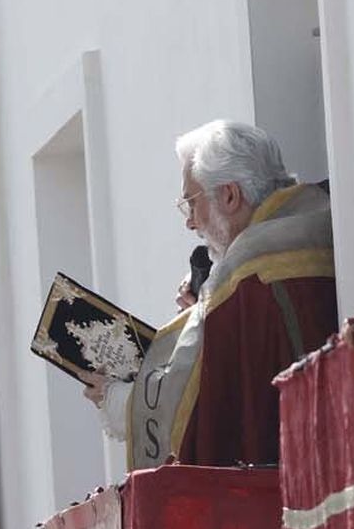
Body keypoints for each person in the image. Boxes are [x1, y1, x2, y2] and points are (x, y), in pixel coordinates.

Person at [87, 120, 337, 468]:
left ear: (230, 196)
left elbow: (193, 408)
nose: (190, 222)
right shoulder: (328, 220)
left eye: (191, 203)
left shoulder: (243, 276)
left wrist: (115, 401)